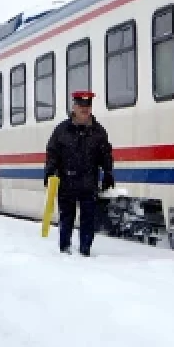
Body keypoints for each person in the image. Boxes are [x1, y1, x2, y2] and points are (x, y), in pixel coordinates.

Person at [44, 90, 115, 256]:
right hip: (67, 181)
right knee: (66, 217)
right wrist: (49, 172)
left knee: (88, 219)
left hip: (89, 182)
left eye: (87, 106)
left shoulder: (98, 132)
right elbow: (52, 153)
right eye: (81, 106)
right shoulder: (62, 130)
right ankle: (64, 248)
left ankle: (85, 250)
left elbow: (106, 154)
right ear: (74, 107)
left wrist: (108, 172)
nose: (85, 109)